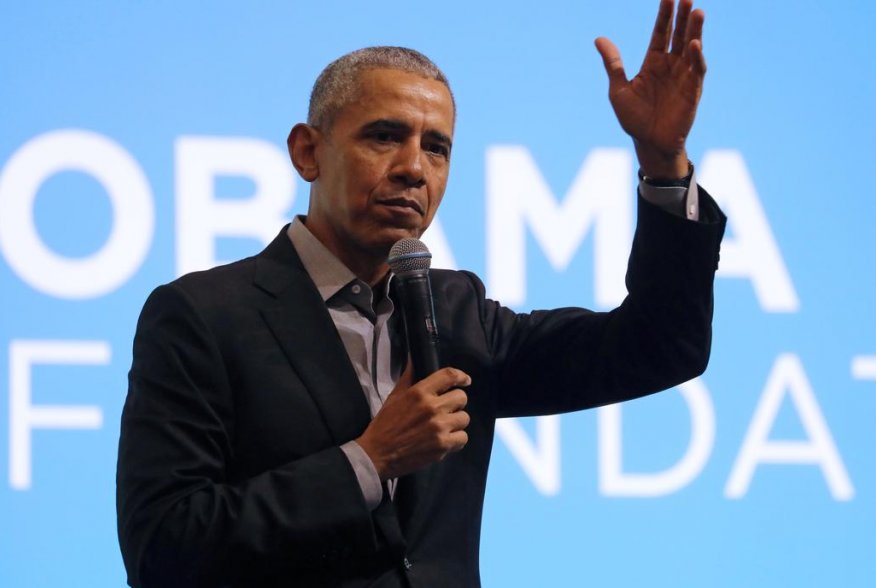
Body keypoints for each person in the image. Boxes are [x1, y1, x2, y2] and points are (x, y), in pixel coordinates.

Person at [116, 0, 726, 586]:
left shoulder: (456, 314)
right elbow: (163, 548)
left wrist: (662, 161)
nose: (414, 166)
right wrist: (368, 461)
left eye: (437, 148)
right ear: (308, 151)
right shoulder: (205, 316)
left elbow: (658, 345)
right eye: (384, 136)